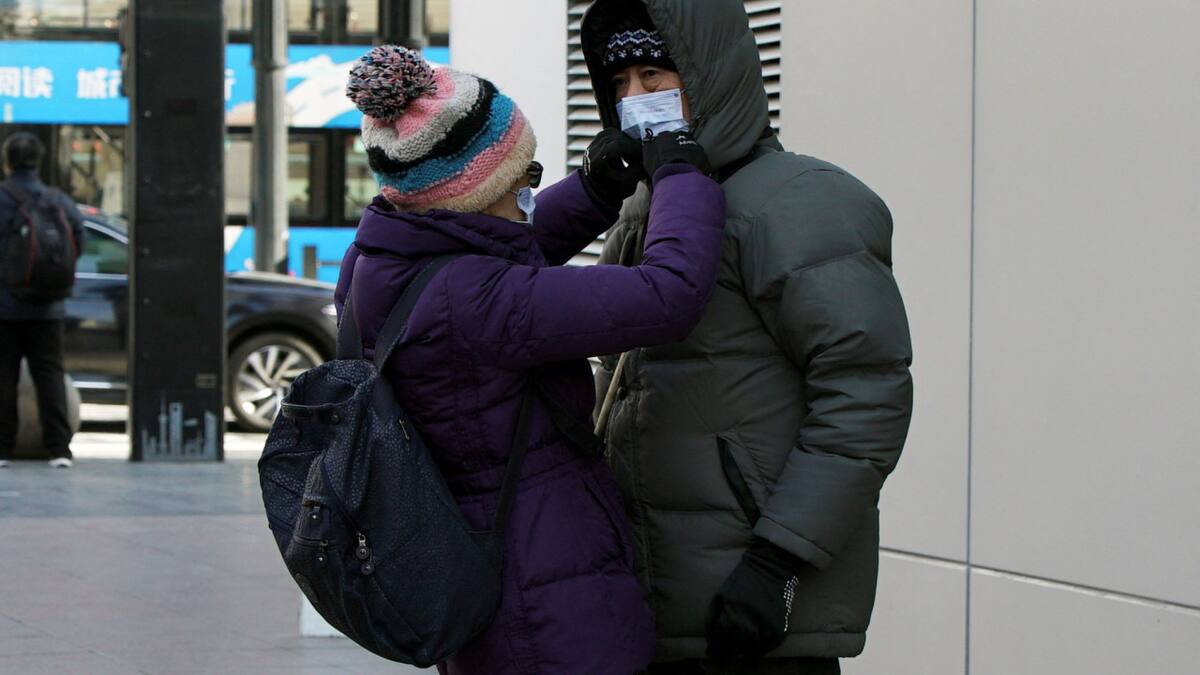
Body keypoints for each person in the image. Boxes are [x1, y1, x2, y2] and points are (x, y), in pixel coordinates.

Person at [334, 46, 725, 674]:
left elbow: (493, 252)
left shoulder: (379, 255)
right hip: (546, 604)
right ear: (479, 189)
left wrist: (596, 191)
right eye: (525, 177)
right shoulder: (478, 302)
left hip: (484, 577)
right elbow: (668, 293)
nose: (529, 191)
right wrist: (681, 175)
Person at [582, 1, 916, 673]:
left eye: (654, 75)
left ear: (710, 76)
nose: (635, 99)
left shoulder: (798, 202)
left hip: (757, 608)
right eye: (618, 85)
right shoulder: (647, 207)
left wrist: (779, 558)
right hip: (653, 603)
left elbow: (864, 390)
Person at [0, 132, 84, 470]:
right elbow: (77, 242)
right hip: (49, 306)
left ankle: (3, 448)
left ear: (7, 161)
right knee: (50, 374)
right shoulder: (58, 200)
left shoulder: (2, 198)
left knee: (4, 376)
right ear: (38, 161)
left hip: (5, 305)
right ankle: (59, 449)